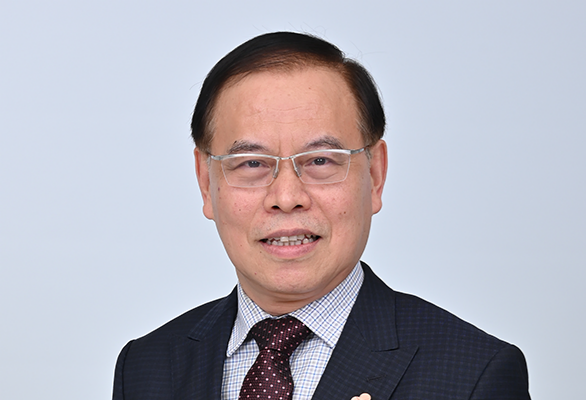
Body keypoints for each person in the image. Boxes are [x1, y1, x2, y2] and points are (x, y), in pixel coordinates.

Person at [112, 32, 530, 400]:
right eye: (252, 163)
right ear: (207, 183)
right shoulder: (147, 366)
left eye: (320, 160)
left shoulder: (473, 374)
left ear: (375, 175)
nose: (286, 197)